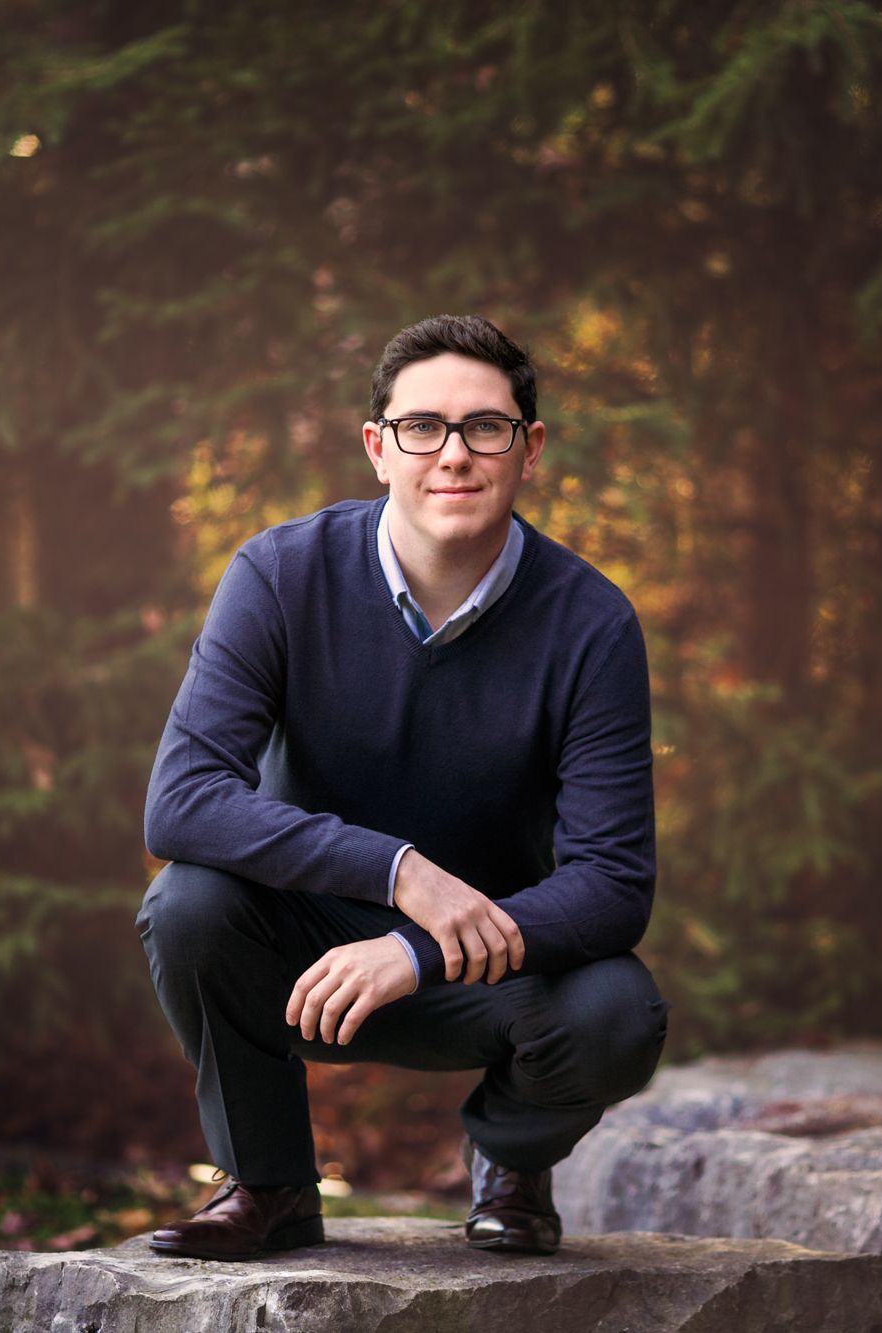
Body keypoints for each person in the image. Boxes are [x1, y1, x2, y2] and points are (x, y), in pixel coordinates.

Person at [135, 313, 671, 1262]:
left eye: (485, 427)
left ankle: (509, 1165)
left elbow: (614, 883)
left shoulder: (591, 623)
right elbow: (183, 799)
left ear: (529, 448)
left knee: (618, 1010)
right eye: (423, 427)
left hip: (490, 961)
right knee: (187, 902)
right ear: (379, 447)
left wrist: (419, 948)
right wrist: (397, 871)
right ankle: (267, 1184)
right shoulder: (279, 574)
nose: (453, 454)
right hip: (304, 962)